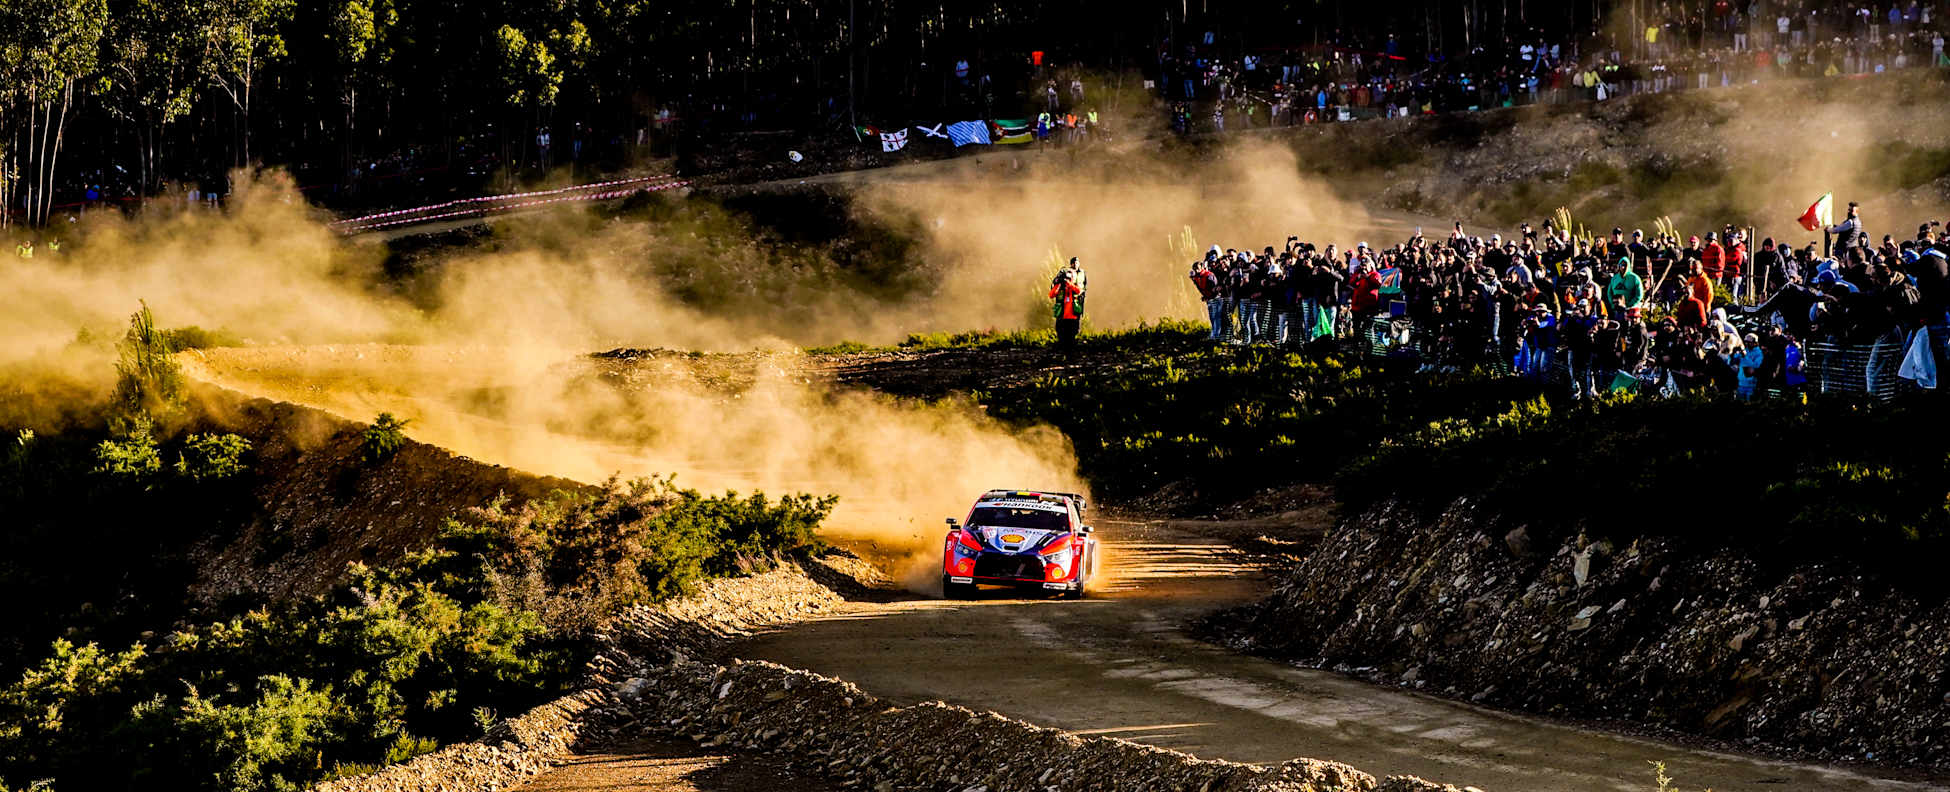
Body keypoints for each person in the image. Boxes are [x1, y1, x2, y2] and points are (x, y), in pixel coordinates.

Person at [1050, 257, 1087, 350]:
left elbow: (1078, 291)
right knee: (1061, 336)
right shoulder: (1060, 285)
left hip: (1072, 316)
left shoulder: (1073, 287)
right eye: (1066, 278)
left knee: (1072, 336)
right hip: (1062, 316)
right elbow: (1051, 294)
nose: (1067, 279)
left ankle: (1070, 352)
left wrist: (1069, 284)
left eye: (1069, 278)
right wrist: (1059, 284)